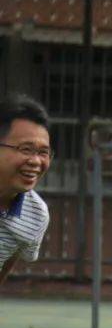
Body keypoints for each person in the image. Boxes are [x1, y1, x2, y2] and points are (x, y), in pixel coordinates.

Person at [0, 94, 51, 286]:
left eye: (43, 152)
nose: (36, 161)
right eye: (26, 149)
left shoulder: (36, 215)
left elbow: (6, 261)